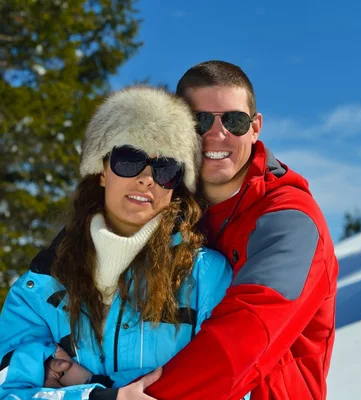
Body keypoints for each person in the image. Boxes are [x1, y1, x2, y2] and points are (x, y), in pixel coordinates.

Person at [44, 61, 339, 400]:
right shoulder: (164, 202)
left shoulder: (289, 221)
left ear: (255, 127)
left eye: (234, 120)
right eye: (200, 121)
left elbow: (245, 340)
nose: (217, 134)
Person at [0, 86, 243, 400]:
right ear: (102, 169)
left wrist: (85, 382)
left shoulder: (206, 276)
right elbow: (9, 391)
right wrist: (101, 396)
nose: (146, 178)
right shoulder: (41, 287)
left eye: (165, 169)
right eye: (129, 159)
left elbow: (231, 387)